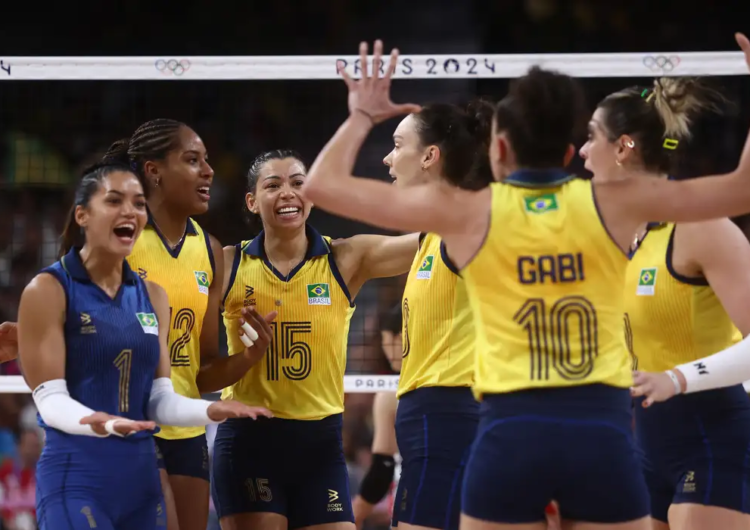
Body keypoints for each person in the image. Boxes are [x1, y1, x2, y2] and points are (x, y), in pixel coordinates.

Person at [301, 36, 750, 530]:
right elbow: (741, 187)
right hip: (598, 428)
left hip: (509, 432)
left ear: (498, 148)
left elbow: (321, 187)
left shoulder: (467, 216)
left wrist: (363, 115)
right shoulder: (616, 204)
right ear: (567, 151)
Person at [17, 160, 271, 530]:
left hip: (141, 481)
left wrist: (211, 411)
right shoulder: (49, 289)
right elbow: (50, 401)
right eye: (115, 201)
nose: (130, 212)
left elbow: (158, 400)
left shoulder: (153, 296)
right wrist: (95, 421)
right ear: (83, 215)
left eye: (138, 203)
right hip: (78, 477)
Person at [212, 149, 418, 530]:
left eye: (298, 183)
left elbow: (428, 242)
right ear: (252, 201)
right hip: (250, 443)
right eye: (273, 185)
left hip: (320, 444)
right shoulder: (228, 264)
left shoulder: (345, 258)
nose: (287, 192)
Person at [581, 77, 750, 529]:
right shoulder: (620, 237)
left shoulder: (699, 226)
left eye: (591, 136)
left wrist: (676, 379)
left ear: (624, 147)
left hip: (714, 437)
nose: (581, 151)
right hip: (646, 445)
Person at [102, 121, 277, 530]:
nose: (209, 171)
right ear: (154, 171)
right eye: (193, 160)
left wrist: (250, 356)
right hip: (127, 419)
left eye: (208, 161)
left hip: (185, 427)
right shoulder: (118, 237)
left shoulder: (209, 250)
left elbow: (201, 373)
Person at [378, 100, 493, 530]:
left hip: (449, 411)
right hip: (433, 415)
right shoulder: (434, 231)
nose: (387, 158)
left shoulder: (466, 225)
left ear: (430, 156)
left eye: (396, 144)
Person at [353, 304, 402, 530]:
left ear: (399, 338)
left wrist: (356, 511)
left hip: (412, 499)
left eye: (385, 340)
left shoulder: (391, 394)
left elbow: (384, 465)